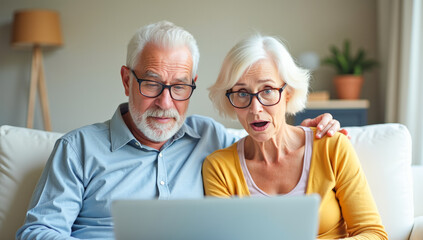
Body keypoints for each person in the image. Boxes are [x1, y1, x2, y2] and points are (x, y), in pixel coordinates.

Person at [17, 21, 343, 240]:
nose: (165, 102)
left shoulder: (212, 138)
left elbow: (262, 142)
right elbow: (38, 231)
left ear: (192, 85)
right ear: (127, 80)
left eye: (179, 87)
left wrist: (308, 132)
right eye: (151, 84)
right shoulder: (78, 149)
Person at [202, 34, 387, 239]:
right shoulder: (218, 168)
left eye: (267, 90)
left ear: (287, 93)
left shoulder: (331, 146)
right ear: (230, 99)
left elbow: (373, 234)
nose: (255, 109)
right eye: (242, 93)